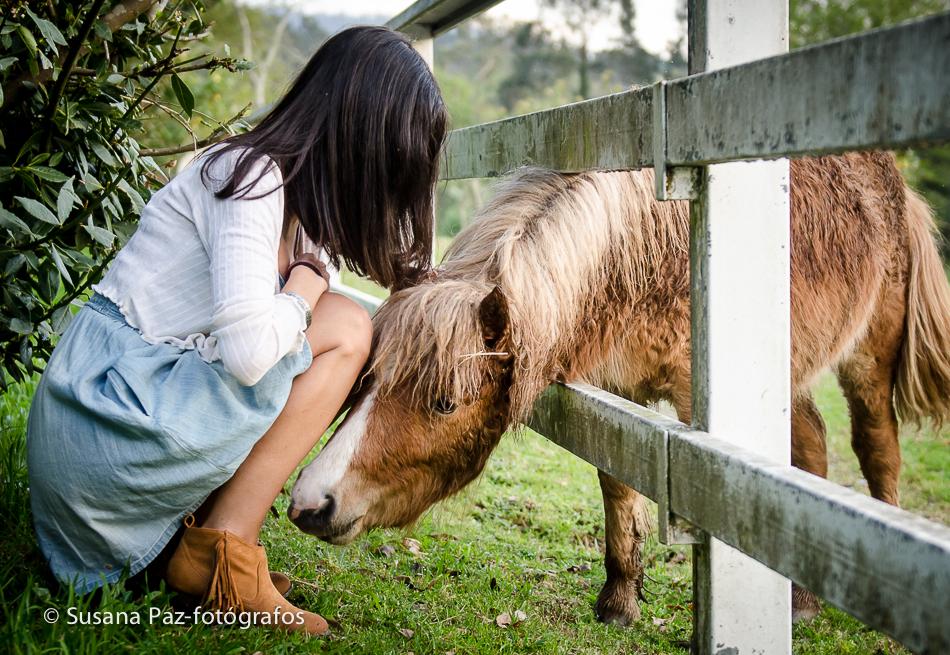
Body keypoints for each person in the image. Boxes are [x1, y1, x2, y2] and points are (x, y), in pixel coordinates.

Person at [26, 25, 447, 635]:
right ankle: (227, 548)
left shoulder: (291, 209)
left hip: (110, 428)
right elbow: (250, 353)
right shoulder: (250, 177)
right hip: (102, 432)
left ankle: (195, 548)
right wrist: (306, 285)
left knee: (339, 320)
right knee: (345, 328)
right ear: (361, 142)